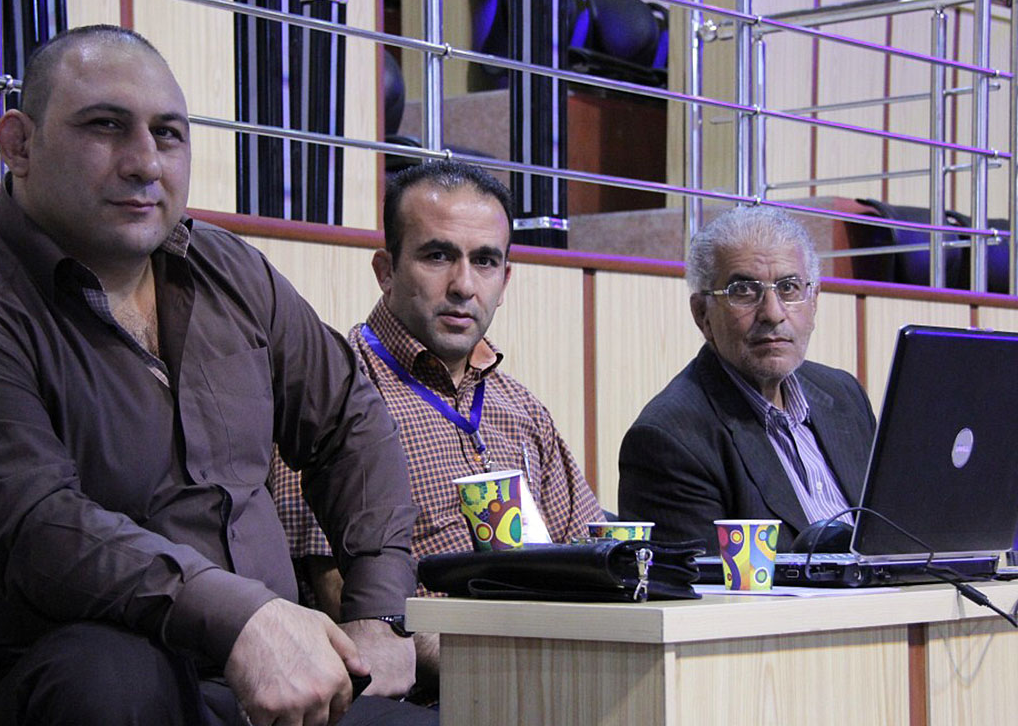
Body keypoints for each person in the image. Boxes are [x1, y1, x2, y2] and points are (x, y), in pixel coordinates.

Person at [0, 25, 437, 726]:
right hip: (55, 694)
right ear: (18, 144)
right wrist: (246, 617)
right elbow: (44, 535)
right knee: (110, 673)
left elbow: (349, 423)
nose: (144, 162)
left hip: (257, 684)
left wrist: (379, 612)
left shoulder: (230, 271)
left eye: (168, 135)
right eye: (105, 126)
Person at [271, 160, 604, 687]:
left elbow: (589, 555)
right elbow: (341, 601)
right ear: (386, 270)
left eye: (485, 261)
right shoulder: (333, 393)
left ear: (505, 279)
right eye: (438, 256)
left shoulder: (522, 409)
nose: (464, 285)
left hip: (551, 680)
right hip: (432, 696)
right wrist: (510, 669)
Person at [617, 205, 875, 554]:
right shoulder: (669, 440)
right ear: (702, 314)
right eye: (743, 291)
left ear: (813, 302)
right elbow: (705, 585)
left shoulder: (844, 395)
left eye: (789, 288)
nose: (772, 313)